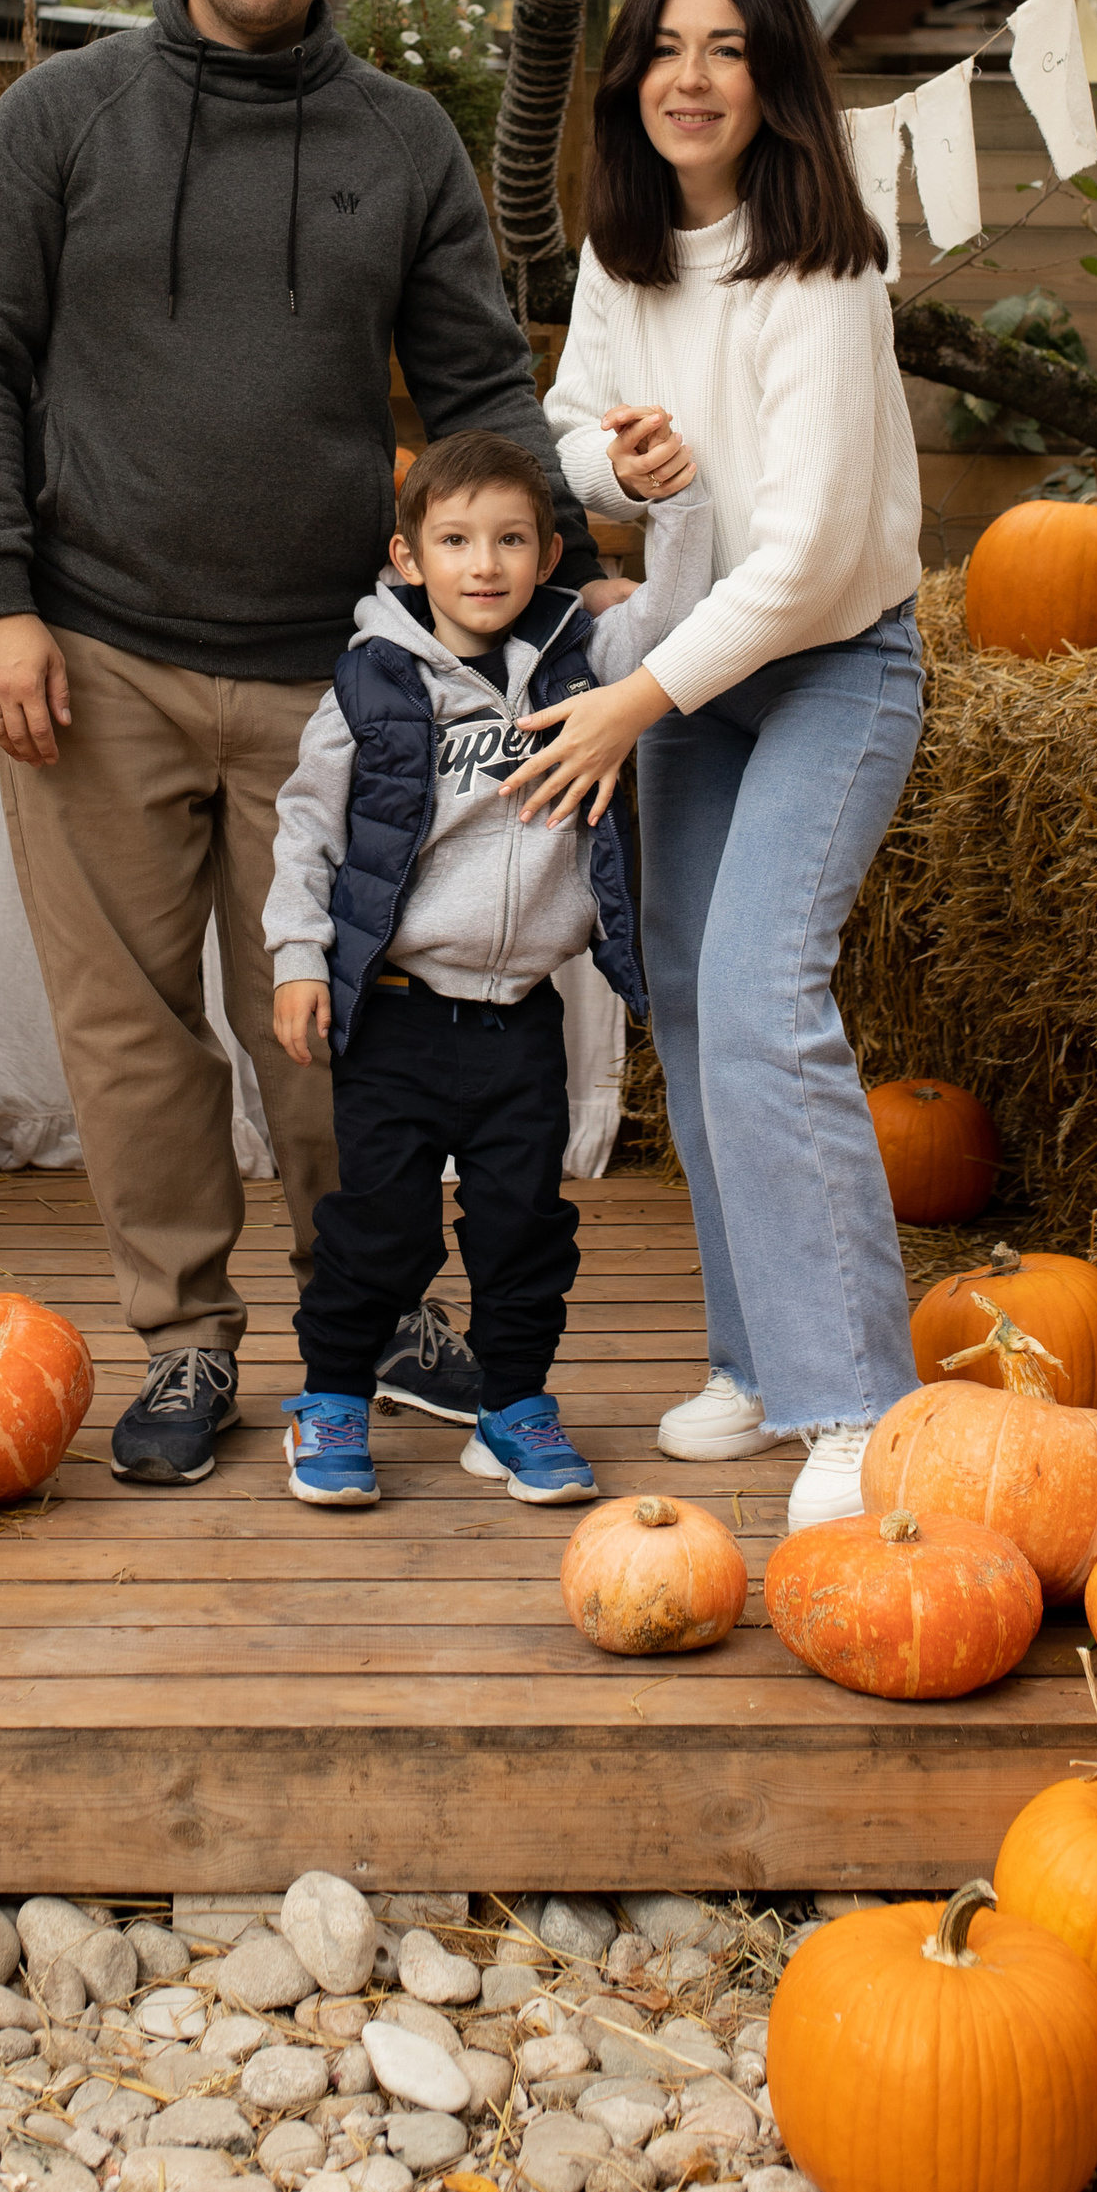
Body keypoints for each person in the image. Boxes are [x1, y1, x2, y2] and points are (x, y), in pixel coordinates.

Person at [0, 0, 605, 1485]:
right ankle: (186, 1346)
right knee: (129, 1029)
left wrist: (574, 573)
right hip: (97, 655)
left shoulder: (400, 143)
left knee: (328, 1017)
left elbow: (475, 384)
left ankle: (356, 1322)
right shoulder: (59, 122)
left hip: (340, 672)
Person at [516, 0, 927, 1533]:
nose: (692, 76)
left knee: (762, 994)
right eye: (666, 48)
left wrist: (635, 692)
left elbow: (817, 549)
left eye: (729, 50)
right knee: (686, 1010)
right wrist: (628, 466)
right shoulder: (623, 254)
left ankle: (860, 1402)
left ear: (774, 83)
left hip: (828, 666)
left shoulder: (820, 268)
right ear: (631, 78)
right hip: (688, 663)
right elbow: (570, 429)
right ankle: (759, 1363)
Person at [263, 424, 712, 1511]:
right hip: (402, 1017)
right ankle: (329, 1398)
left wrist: (679, 510)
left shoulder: (581, 660)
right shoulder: (369, 683)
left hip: (520, 1020)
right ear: (407, 556)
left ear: (549, 556)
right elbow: (306, 830)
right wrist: (296, 957)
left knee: (523, 1227)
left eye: (512, 540)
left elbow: (678, 620)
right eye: (456, 540)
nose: (485, 564)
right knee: (382, 1227)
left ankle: (512, 1406)